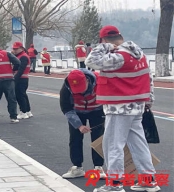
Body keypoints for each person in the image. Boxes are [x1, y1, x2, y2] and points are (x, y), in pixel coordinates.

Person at [85, 25, 159, 192]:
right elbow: (149, 79)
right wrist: (149, 101)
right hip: (137, 105)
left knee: (112, 145)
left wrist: (106, 47)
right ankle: (148, 180)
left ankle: (114, 184)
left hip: (119, 107)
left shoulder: (119, 56)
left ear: (103, 40)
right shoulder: (140, 54)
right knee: (139, 144)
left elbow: (91, 61)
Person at [59, 69, 106, 179]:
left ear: (87, 81)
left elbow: (110, 97)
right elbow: (66, 108)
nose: (79, 92)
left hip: (97, 109)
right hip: (77, 111)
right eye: (76, 90)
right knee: (75, 138)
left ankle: (98, 167)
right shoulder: (66, 88)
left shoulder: (100, 81)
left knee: (98, 138)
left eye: (81, 88)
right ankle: (77, 167)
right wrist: (79, 125)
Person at [12, 41, 33, 119]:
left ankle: (23, 112)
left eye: (16, 49)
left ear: (21, 48)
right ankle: (27, 111)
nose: (14, 50)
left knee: (20, 96)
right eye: (14, 49)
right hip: (22, 78)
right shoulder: (21, 56)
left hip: (21, 79)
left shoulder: (23, 57)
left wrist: (15, 79)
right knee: (23, 95)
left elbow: (21, 69)